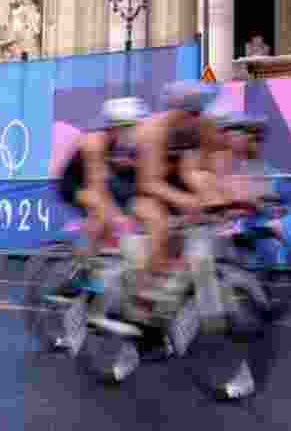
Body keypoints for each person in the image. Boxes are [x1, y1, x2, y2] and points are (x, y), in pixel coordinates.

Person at [131, 80, 228, 305]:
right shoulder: (153, 131)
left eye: (199, 112)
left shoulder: (189, 128)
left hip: (161, 182)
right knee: (160, 223)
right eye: (192, 112)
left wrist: (215, 201)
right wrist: (185, 199)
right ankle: (144, 290)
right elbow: (148, 183)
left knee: (194, 218)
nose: (197, 118)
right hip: (133, 185)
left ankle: (171, 275)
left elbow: (190, 173)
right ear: (175, 110)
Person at [53, 97, 149, 298]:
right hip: (74, 184)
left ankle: (104, 263)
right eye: (130, 126)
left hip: (103, 183)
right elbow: (98, 188)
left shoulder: (128, 143)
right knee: (102, 213)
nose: (135, 131)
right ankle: (79, 272)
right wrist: (117, 217)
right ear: (115, 126)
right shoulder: (94, 143)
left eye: (136, 125)